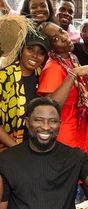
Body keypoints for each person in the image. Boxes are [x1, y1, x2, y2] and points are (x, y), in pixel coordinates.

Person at [38, 22, 88, 156]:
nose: (63, 37)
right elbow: (50, 108)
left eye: (62, 31)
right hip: (65, 139)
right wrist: (74, 73)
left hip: (81, 133)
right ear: (49, 48)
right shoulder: (53, 68)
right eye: (55, 39)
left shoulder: (72, 58)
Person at [0, 19, 49, 151]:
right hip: (8, 149)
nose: (35, 55)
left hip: (36, 147)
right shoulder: (3, 78)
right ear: (21, 49)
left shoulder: (43, 77)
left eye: (41, 52)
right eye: (30, 49)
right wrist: (17, 149)